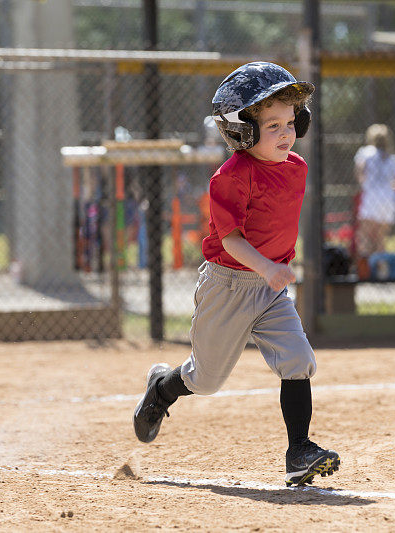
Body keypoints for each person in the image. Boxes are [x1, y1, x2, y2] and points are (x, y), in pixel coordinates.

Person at [132, 62, 340, 487]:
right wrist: (267, 266)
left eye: (291, 122)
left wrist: (273, 271)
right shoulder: (229, 178)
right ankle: (162, 389)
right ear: (241, 130)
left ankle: (299, 451)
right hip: (228, 283)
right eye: (273, 125)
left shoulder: (296, 167)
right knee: (205, 380)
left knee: (298, 361)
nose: (287, 133)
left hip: (270, 289)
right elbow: (230, 239)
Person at [353, 124, 395, 279]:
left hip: (371, 196)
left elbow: (360, 174)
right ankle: (381, 271)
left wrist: (367, 182)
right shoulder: (394, 159)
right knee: (380, 238)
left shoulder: (365, 153)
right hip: (388, 199)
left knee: (365, 235)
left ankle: (364, 271)